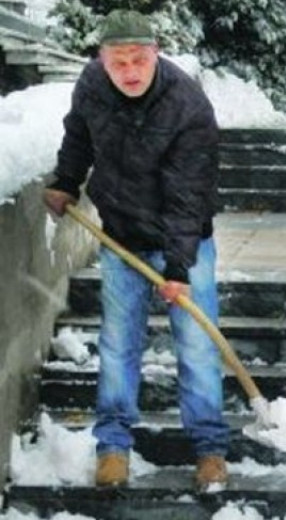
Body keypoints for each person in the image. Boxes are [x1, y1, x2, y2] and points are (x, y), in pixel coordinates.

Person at [42, 10, 229, 490]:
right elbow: (78, 134)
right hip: (121, 235)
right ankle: (112, 447)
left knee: (196, 346)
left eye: (139, 60)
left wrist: (180, 266)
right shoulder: (92, 84)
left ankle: (209, 449)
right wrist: (66, 180)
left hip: (184, 240)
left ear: (156, 54)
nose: (129, 71)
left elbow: (188, 196)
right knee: (119, 344)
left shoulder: (187, 105)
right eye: (118, 60)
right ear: (102, 60)